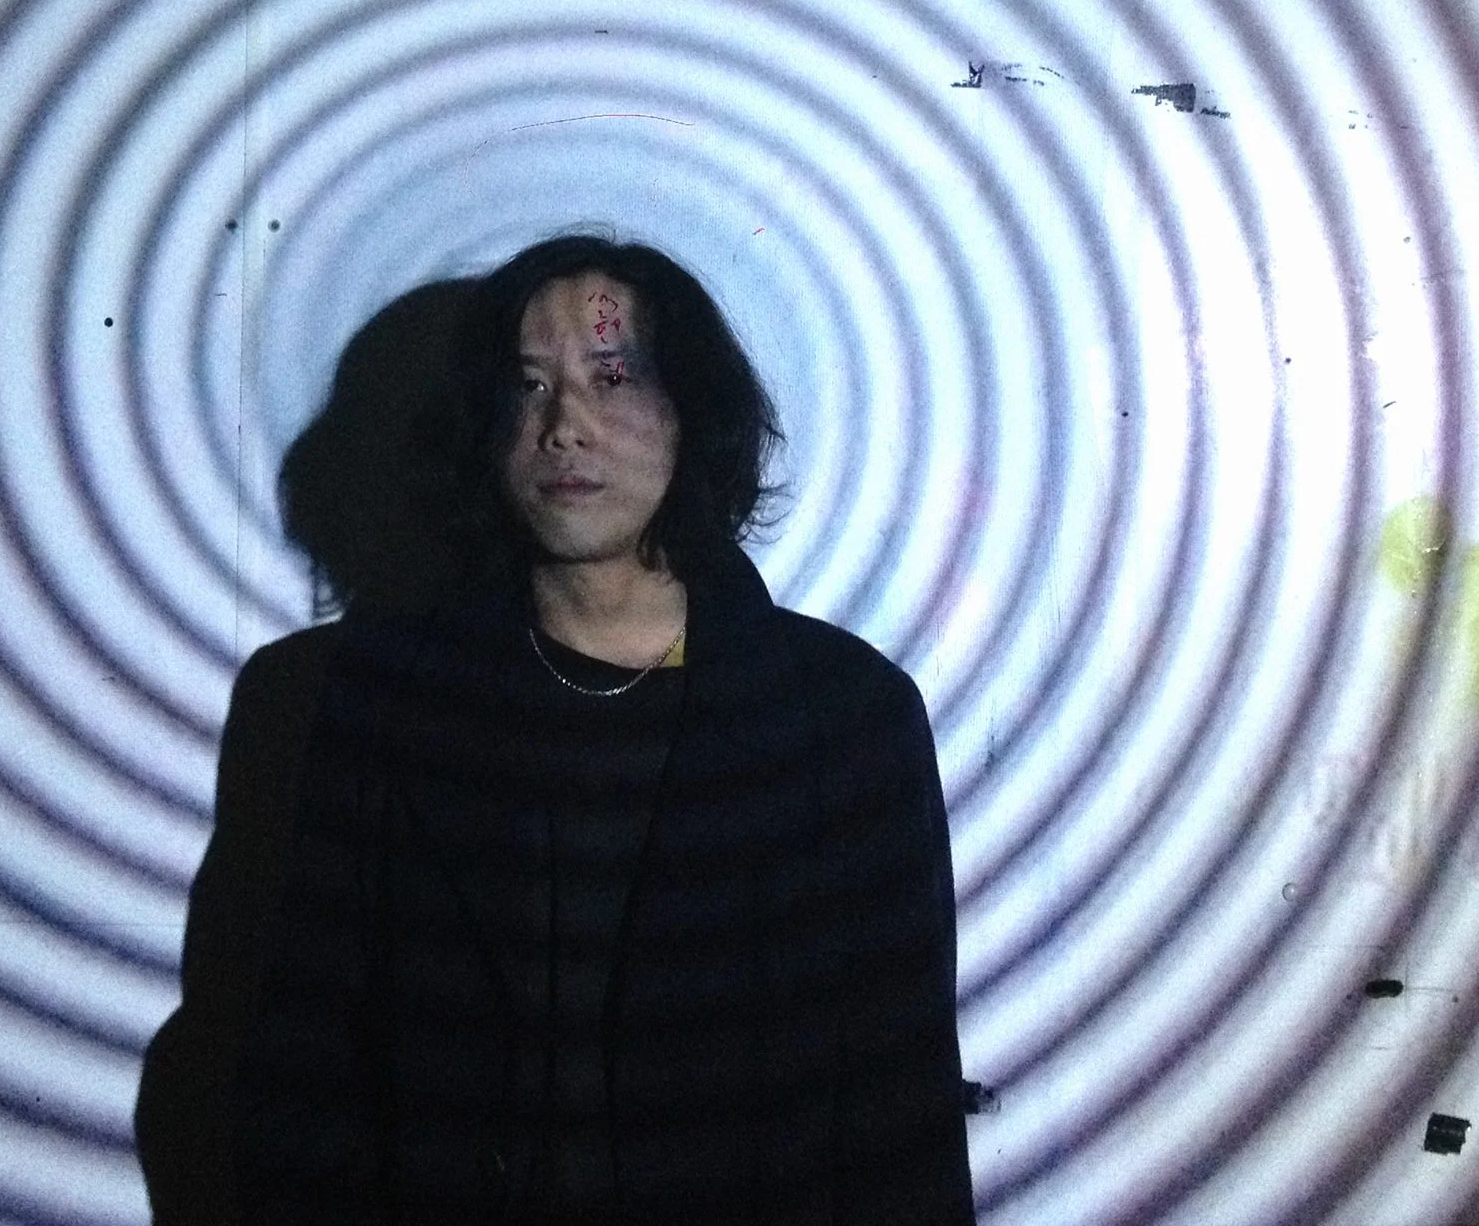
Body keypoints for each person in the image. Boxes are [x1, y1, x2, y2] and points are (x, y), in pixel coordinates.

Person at [140, 234, 974, 1225]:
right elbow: (298, 1069)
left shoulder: (842, 717)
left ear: (690, 411)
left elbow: (899, 1102)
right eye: (528, 385)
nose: (564, 426)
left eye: (612, 377)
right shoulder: (378, 700)